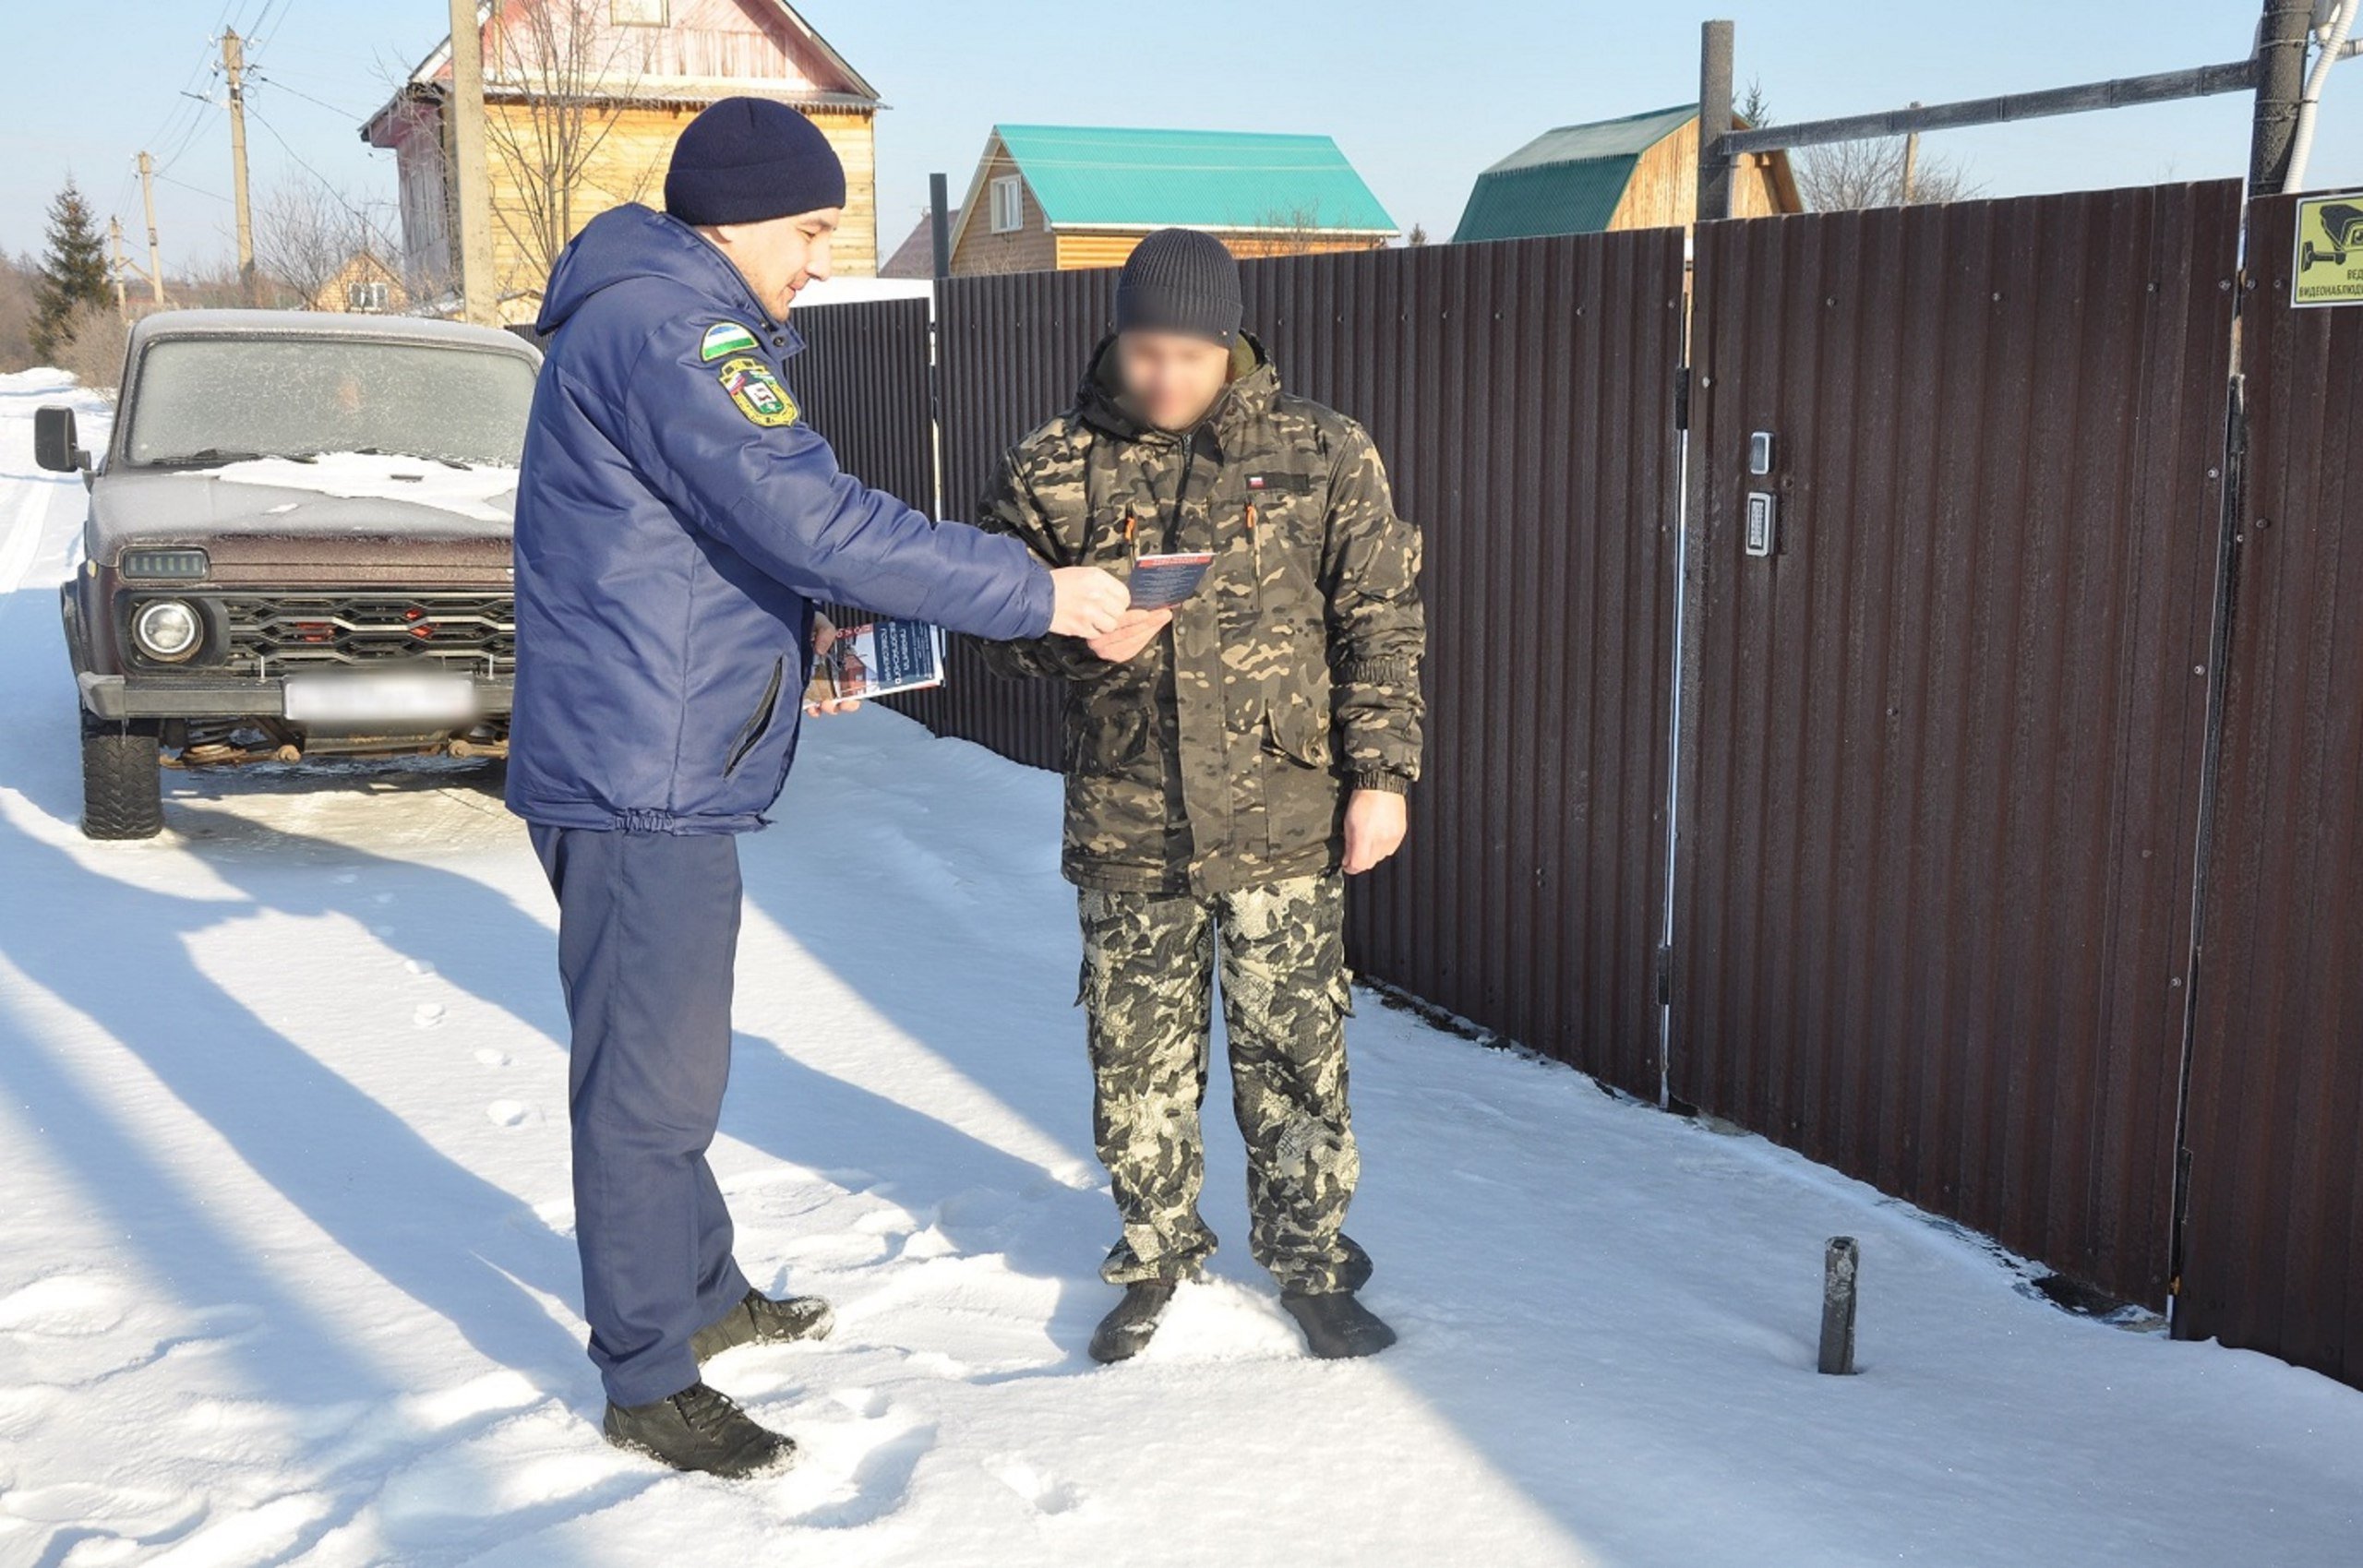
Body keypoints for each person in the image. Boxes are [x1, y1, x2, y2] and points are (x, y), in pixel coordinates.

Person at [506, 98, 1129, 1477]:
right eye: (807, 228)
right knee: (649, 1084)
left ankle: (703, 1290)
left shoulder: (650, 312)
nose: (820, 259)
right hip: (640, 769)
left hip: (658, 751)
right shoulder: (675, 330)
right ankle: (646, 1370)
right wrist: (1040, 591)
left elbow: (716, 536)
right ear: (734, 216)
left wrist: (813, 626)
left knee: (679, 1057)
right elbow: (810, 515)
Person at [978, 229, 1426, 1362]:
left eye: (1190, 353)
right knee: (1138, 1065)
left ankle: (1312, 1261)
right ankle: (1156, 1252)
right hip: (1130, 819)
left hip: (1285, 812)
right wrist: (1076, 637)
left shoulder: (1323, 451)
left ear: (1228, 342)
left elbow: (1379, 620)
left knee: (1293, 1052)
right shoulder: (1052, 465)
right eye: (1144, 351)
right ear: (1115, 338)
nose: (1165, 377)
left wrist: (1381, 777)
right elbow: (991, 629)